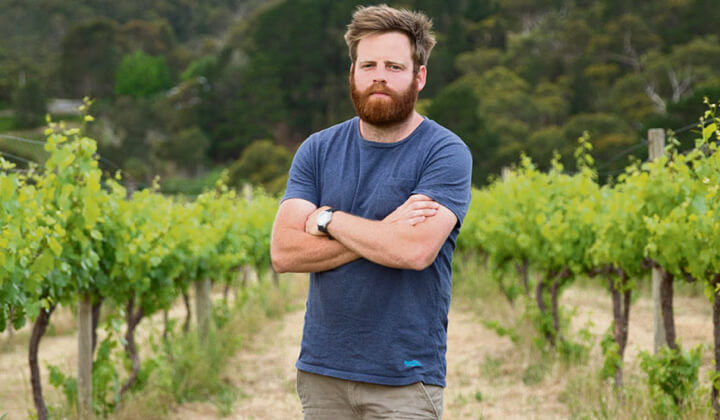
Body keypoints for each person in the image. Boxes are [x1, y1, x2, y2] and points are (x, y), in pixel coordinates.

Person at [270, 4, 472, 419]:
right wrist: (385, 231)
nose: (379, 76)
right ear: (353, 73)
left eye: (394, 67)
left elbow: (414, 251)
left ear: (419, 76)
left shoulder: (445, 152)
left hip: (405, 377)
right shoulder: (317, 150)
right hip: (322, 373)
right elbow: (284, 252)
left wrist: (327, 220)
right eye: (368, 65)